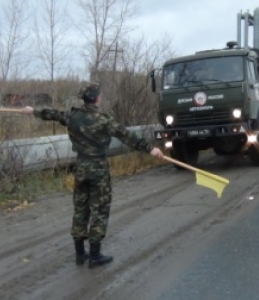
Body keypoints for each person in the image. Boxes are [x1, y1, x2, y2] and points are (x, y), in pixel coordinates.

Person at [21, 81, 164, 269]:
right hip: (98, 168)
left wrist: (33, 111)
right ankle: (94, 255)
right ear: (97, 99)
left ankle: (80, 254)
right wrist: (150, 149)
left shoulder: (73, 116)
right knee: (100, 209)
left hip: (80, 167)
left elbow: (53, 114)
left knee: (81, 208)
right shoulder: (103, 120)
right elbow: (127, 136)